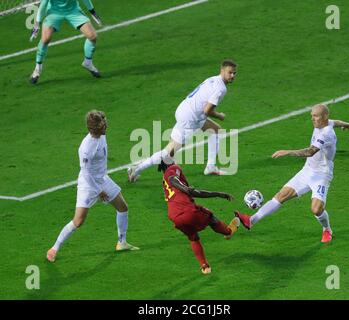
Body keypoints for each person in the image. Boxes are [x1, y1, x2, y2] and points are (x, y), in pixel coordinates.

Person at [235, 104, 349, 243]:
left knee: (316, 209)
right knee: (281, 195)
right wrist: (345, 124)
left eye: (315, 116)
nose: (313, 119)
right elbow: (334, 122)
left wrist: (287, 152)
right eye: (312, 116)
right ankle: (251, 221)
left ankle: (327, 229)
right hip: (307, 170)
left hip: (322, 175)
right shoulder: (324, 123)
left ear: (324, 117)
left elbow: (310, 152)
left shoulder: (326, 134)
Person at [46, 110, 139, 262]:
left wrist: (102, 185)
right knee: (78, 221)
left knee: (123, 208)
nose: (106, 125)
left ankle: (122, 243)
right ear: (94, 128)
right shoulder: (87, 148)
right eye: (103, 124)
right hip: (89, 185)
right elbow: (86, 173)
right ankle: (54, 248)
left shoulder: (102, 135)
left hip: (102, 178)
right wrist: (99, 190)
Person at [128, 60, 237, 182]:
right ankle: (136, 168)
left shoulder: (212, 79)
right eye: (230, 73)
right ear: (222, 71)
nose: (232, 76)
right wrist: (220, 115)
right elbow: (207, 110)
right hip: (190, 118)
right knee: (169, 152)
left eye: (234, 73)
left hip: (185, 109)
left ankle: (211, 167)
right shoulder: (221, 88)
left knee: (215, 130)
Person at [159, 159, 247, 274]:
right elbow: (173, 179)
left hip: (174, 216)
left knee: (193, 237)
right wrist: (187, 189)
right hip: (187, 211)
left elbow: (196, 193)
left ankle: (204, 266)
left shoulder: (165, 183)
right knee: (210, 216)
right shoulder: (172, 169)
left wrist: (218, 194)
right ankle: (228, 232)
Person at [29, 0, 102, 84]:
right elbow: (43, 5)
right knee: (45, 39)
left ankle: (88, 63)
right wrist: (37, 24)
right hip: (54, 12)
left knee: (92, 36)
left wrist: (92, 11)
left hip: (73, 11)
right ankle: (38, 69)